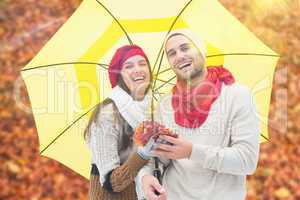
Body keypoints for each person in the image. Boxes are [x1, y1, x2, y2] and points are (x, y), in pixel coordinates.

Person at [138, 29, 260, 200]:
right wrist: (145, 176)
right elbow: (156, 157)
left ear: (201, 50)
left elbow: (247, 160)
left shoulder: (238, 95)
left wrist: (192, 152)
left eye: (185, 48)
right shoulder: (165, 105)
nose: (179, 56)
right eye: (172, 53)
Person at [84, 44, 163, 200]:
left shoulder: (153, 109)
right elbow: (111, 183)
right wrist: (143, 153)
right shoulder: (108, 113)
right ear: (119, 75)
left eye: (142, 63)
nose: (138, 69)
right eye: (129, 66)